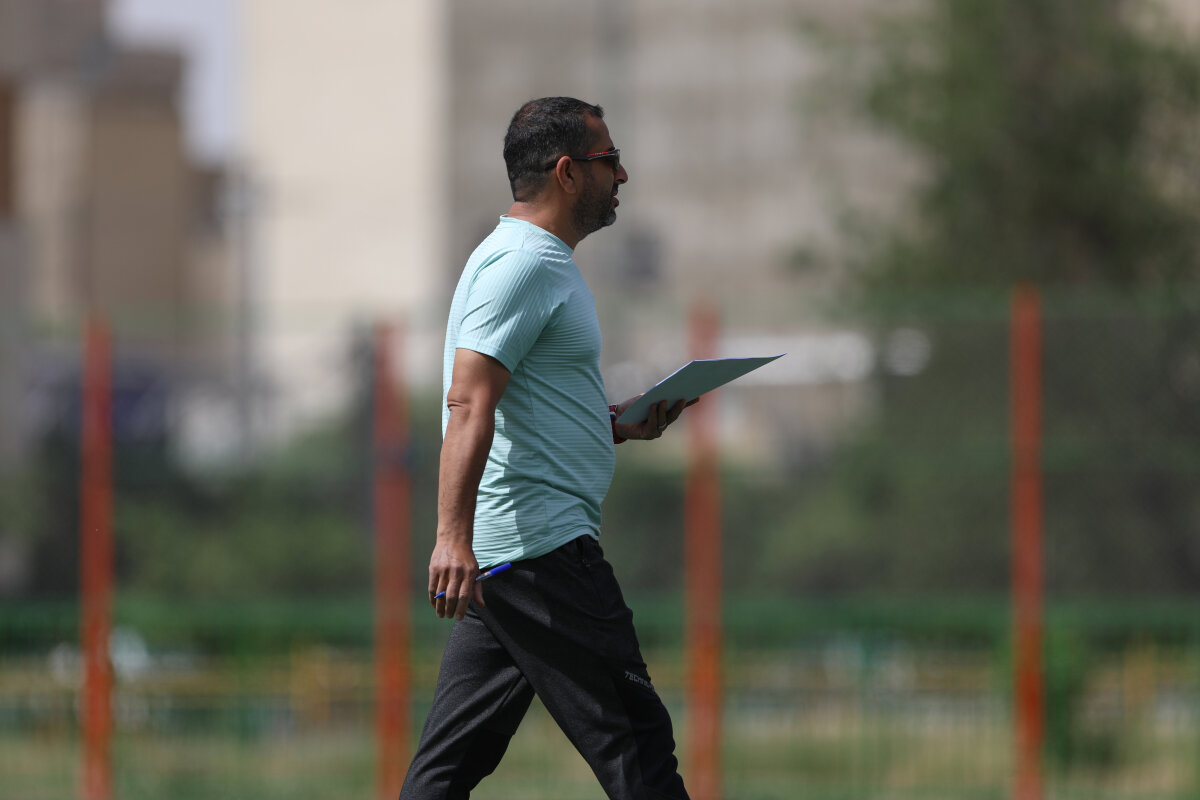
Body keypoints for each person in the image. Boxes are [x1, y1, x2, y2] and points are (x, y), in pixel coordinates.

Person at [398, 97, 692, 800]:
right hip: (542, 552)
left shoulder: (534, 261)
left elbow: (522, 404)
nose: (622, 175)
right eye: (610, 159)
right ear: (567, 172)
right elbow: (470, 400)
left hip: (512, 557)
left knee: (446, 771)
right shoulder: (523, 264)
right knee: (638, 747)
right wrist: (450, 538)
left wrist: (615, 423)